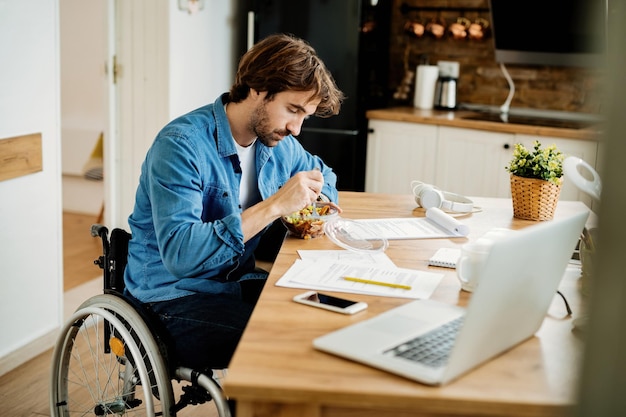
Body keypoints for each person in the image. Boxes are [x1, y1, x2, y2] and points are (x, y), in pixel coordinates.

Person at [124, 33, 345, 371]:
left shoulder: (276, 143)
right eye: (292, 110)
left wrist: (313, 206)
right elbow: (181, 256)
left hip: (232, 285)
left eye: (306, 116)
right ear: (258, 88)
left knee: (334, 311)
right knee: (293, 341)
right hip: (170, 299)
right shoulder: (180, 145)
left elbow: (324, 176)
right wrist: (274, 206)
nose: (297, 128)